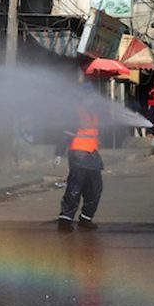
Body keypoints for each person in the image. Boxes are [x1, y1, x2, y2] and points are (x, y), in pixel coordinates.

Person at [54, 97, 103, 232]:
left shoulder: (94, 114)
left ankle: (86, 218)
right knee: (75, 188)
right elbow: (66, 135)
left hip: (92, 154)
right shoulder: (76, 114)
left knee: (95, 188)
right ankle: (65, 219)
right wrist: (58, 153)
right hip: (78, 155)